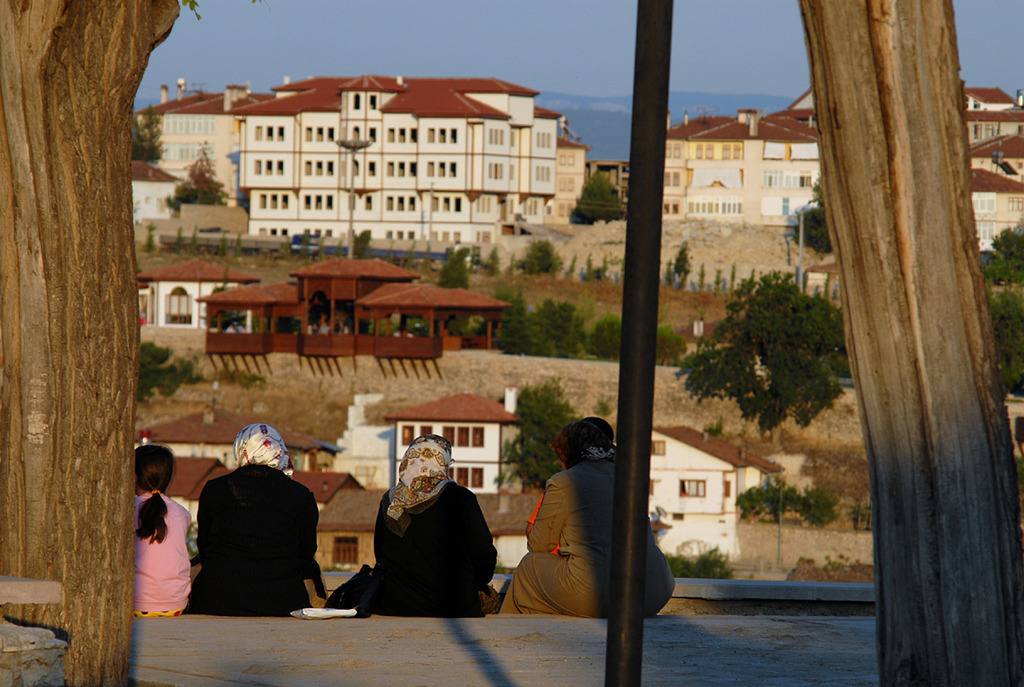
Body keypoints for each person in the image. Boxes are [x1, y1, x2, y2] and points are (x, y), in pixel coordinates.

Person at [501, 419, 675, 617]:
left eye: (560, 458)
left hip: (602, 595)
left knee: (528, 566)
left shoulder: (564, 482)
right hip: (654, 592)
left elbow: (538, 545)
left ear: (570, 455)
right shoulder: (631, 477)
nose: (560, 463)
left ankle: (508, 640)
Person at [187, 423, 326, 616]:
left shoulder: (214, 489)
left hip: (217, 599)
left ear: (240, 449)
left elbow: (204, 546)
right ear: (279, 450)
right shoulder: (301, 495)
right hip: (284, 601)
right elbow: (306, 551)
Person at [372, 434, 498, 617]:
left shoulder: (390, 501)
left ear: (408, 460)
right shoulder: (462, 498)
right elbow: (484, 553)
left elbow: (380, 554)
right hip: (453, 605)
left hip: (393, 604)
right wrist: (478, 582)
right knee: (492, 598)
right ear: (444, 462)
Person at [133, 445, 191, 617]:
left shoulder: (128, 509)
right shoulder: (182, 513)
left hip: (135, 605)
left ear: (135, 476)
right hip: (176, 606)